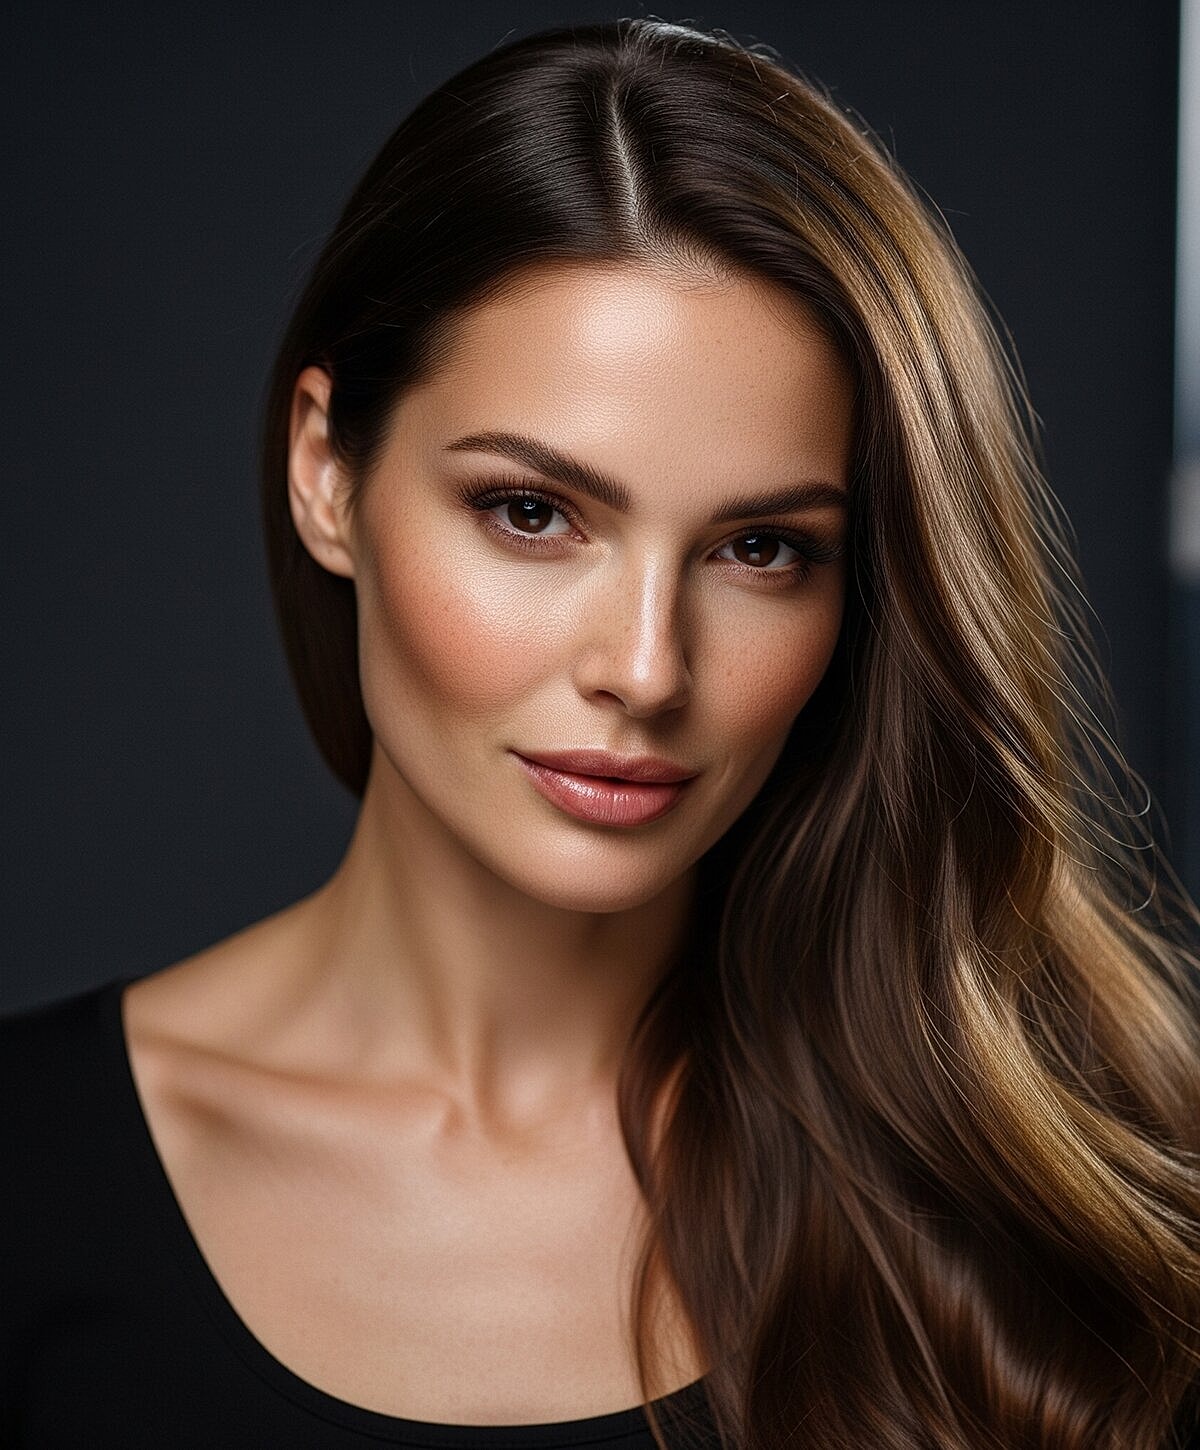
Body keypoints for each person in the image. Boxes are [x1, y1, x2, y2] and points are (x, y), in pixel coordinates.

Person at [3, 16, 1199, 1449]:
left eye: (759, 547)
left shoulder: (1078, 1203)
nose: (645, 668)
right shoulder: (24, 1179)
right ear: (327, 471)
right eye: (531, 512)